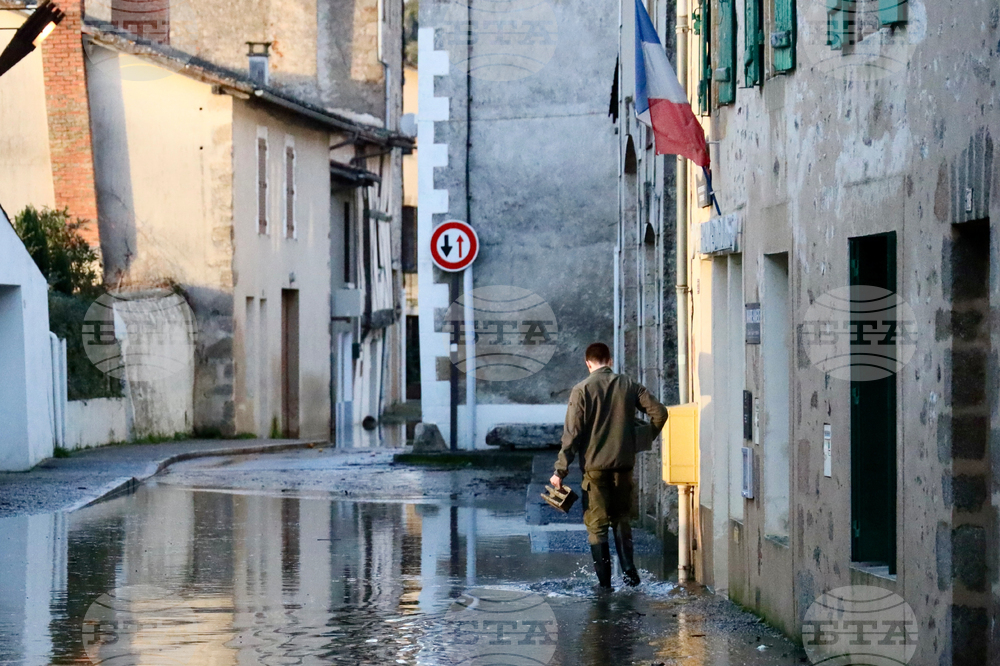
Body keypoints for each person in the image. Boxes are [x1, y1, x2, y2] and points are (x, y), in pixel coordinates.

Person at [550, 342, 668, 590]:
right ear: (610, 360)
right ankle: (629, 574)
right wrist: (641, 438)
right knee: (622, 518)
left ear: (587, 362)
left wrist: (560, 471)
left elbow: (572, 434)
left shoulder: (581, 390)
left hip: (594, 470)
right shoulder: (627, 384)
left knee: (597, 526)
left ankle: (605, 587)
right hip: (623, 467)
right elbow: (659, 413)